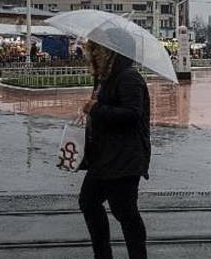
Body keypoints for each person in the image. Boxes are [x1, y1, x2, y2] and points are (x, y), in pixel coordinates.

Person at [78, 37, 151, 259]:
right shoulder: (105, 77)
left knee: (125, 212)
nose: (90, 54)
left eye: (95, 49)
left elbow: (132, 114)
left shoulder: (128, 77)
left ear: (109, 52)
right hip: (104, 156)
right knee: (89, 202)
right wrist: (93, 111)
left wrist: (97, 109)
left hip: (125, 158)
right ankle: (102, 254)